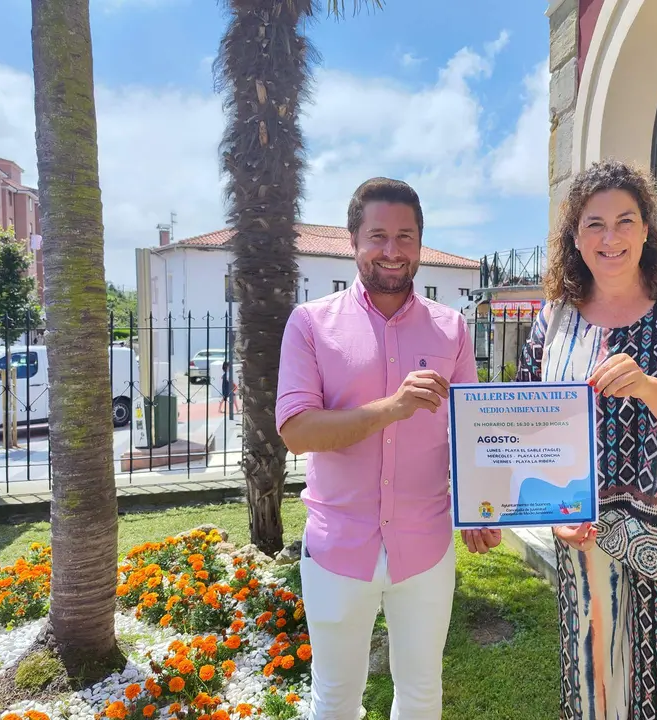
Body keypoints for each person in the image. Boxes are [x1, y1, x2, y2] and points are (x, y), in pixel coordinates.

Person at [515, 159, 657, 719]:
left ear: (647, 228)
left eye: (625, 221)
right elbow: (529, 432)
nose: (610, 237)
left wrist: (647, 387)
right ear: (575, 236)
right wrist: (549, 512)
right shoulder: (555, 321)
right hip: (584, 548)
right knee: (594, 690)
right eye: (594, 224)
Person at [275, 177, 501, 720]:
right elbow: (296, 430)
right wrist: (391, 407)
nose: (392, 250)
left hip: (426, 546)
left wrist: (480, 507)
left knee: (422, 695)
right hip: (337, 548)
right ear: (353, 240)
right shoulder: (310, 324)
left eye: (406, 236)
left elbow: (471, 429)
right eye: (378, 235)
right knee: (334, 699)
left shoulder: (452, 329)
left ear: (420, 244)